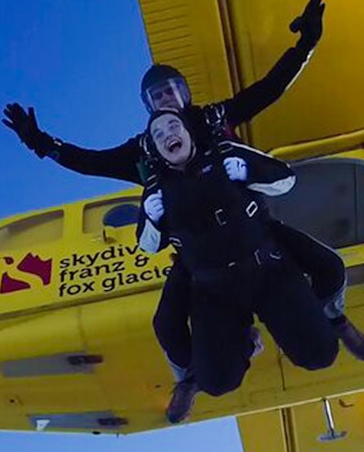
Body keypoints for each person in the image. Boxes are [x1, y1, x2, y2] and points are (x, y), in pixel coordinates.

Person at [2, 0, 364, 422]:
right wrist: (42, 143)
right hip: (203, 266)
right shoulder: (145, 152)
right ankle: (192, 374)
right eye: (158, 97)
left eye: (172, 91)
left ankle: (334, 316)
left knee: (328, 283)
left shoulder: (213, 120)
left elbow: (268, 90)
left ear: (185, 93)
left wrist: (306, 44)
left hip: (256, 242)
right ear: (148, 107)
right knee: (172, 333)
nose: (167, 101)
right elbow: (90, 161)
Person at [137, 109, 340, 406]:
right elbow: (148, 245)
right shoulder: (157, 190)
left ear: (189, 132)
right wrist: (151, 219)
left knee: (321, 352)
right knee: (217, 382)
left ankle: (335, 317)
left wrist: (249, 171)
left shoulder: (223, 154)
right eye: (158, 135)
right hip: (215, 289)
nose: (168, 134)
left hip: (266, 269)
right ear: (156, 149)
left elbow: (286, 180)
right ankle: (234, 349)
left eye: (173, 126)